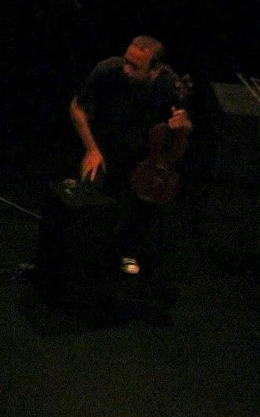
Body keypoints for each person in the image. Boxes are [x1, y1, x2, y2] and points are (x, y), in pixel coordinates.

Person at [69, 35, 192, 276]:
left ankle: (129, 250)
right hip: (105, 145)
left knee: (145, 200)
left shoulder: (169, 84)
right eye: (127, 61)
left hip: (142, 155)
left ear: (155, 70)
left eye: (135, 67)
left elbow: (179, 138)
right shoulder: (107, 70)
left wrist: (184, 127)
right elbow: (77, 107)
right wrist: (92, 149)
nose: (127, 69)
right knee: (90, 192)